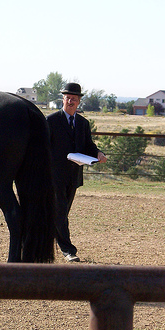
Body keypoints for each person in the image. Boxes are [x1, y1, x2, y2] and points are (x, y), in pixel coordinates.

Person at [46, 83, 107, 262]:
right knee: (60, 211)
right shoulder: (51, 120)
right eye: (67, 98)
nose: (70, 101)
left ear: (79, 101)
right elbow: (42, 146)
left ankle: (42, 239)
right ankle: (68, 250)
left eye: (74, 99)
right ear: (62, 99)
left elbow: (88, 145)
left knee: (61, 213)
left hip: (74, 175)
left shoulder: (83, 123)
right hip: (54, 174)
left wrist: (98, 153)